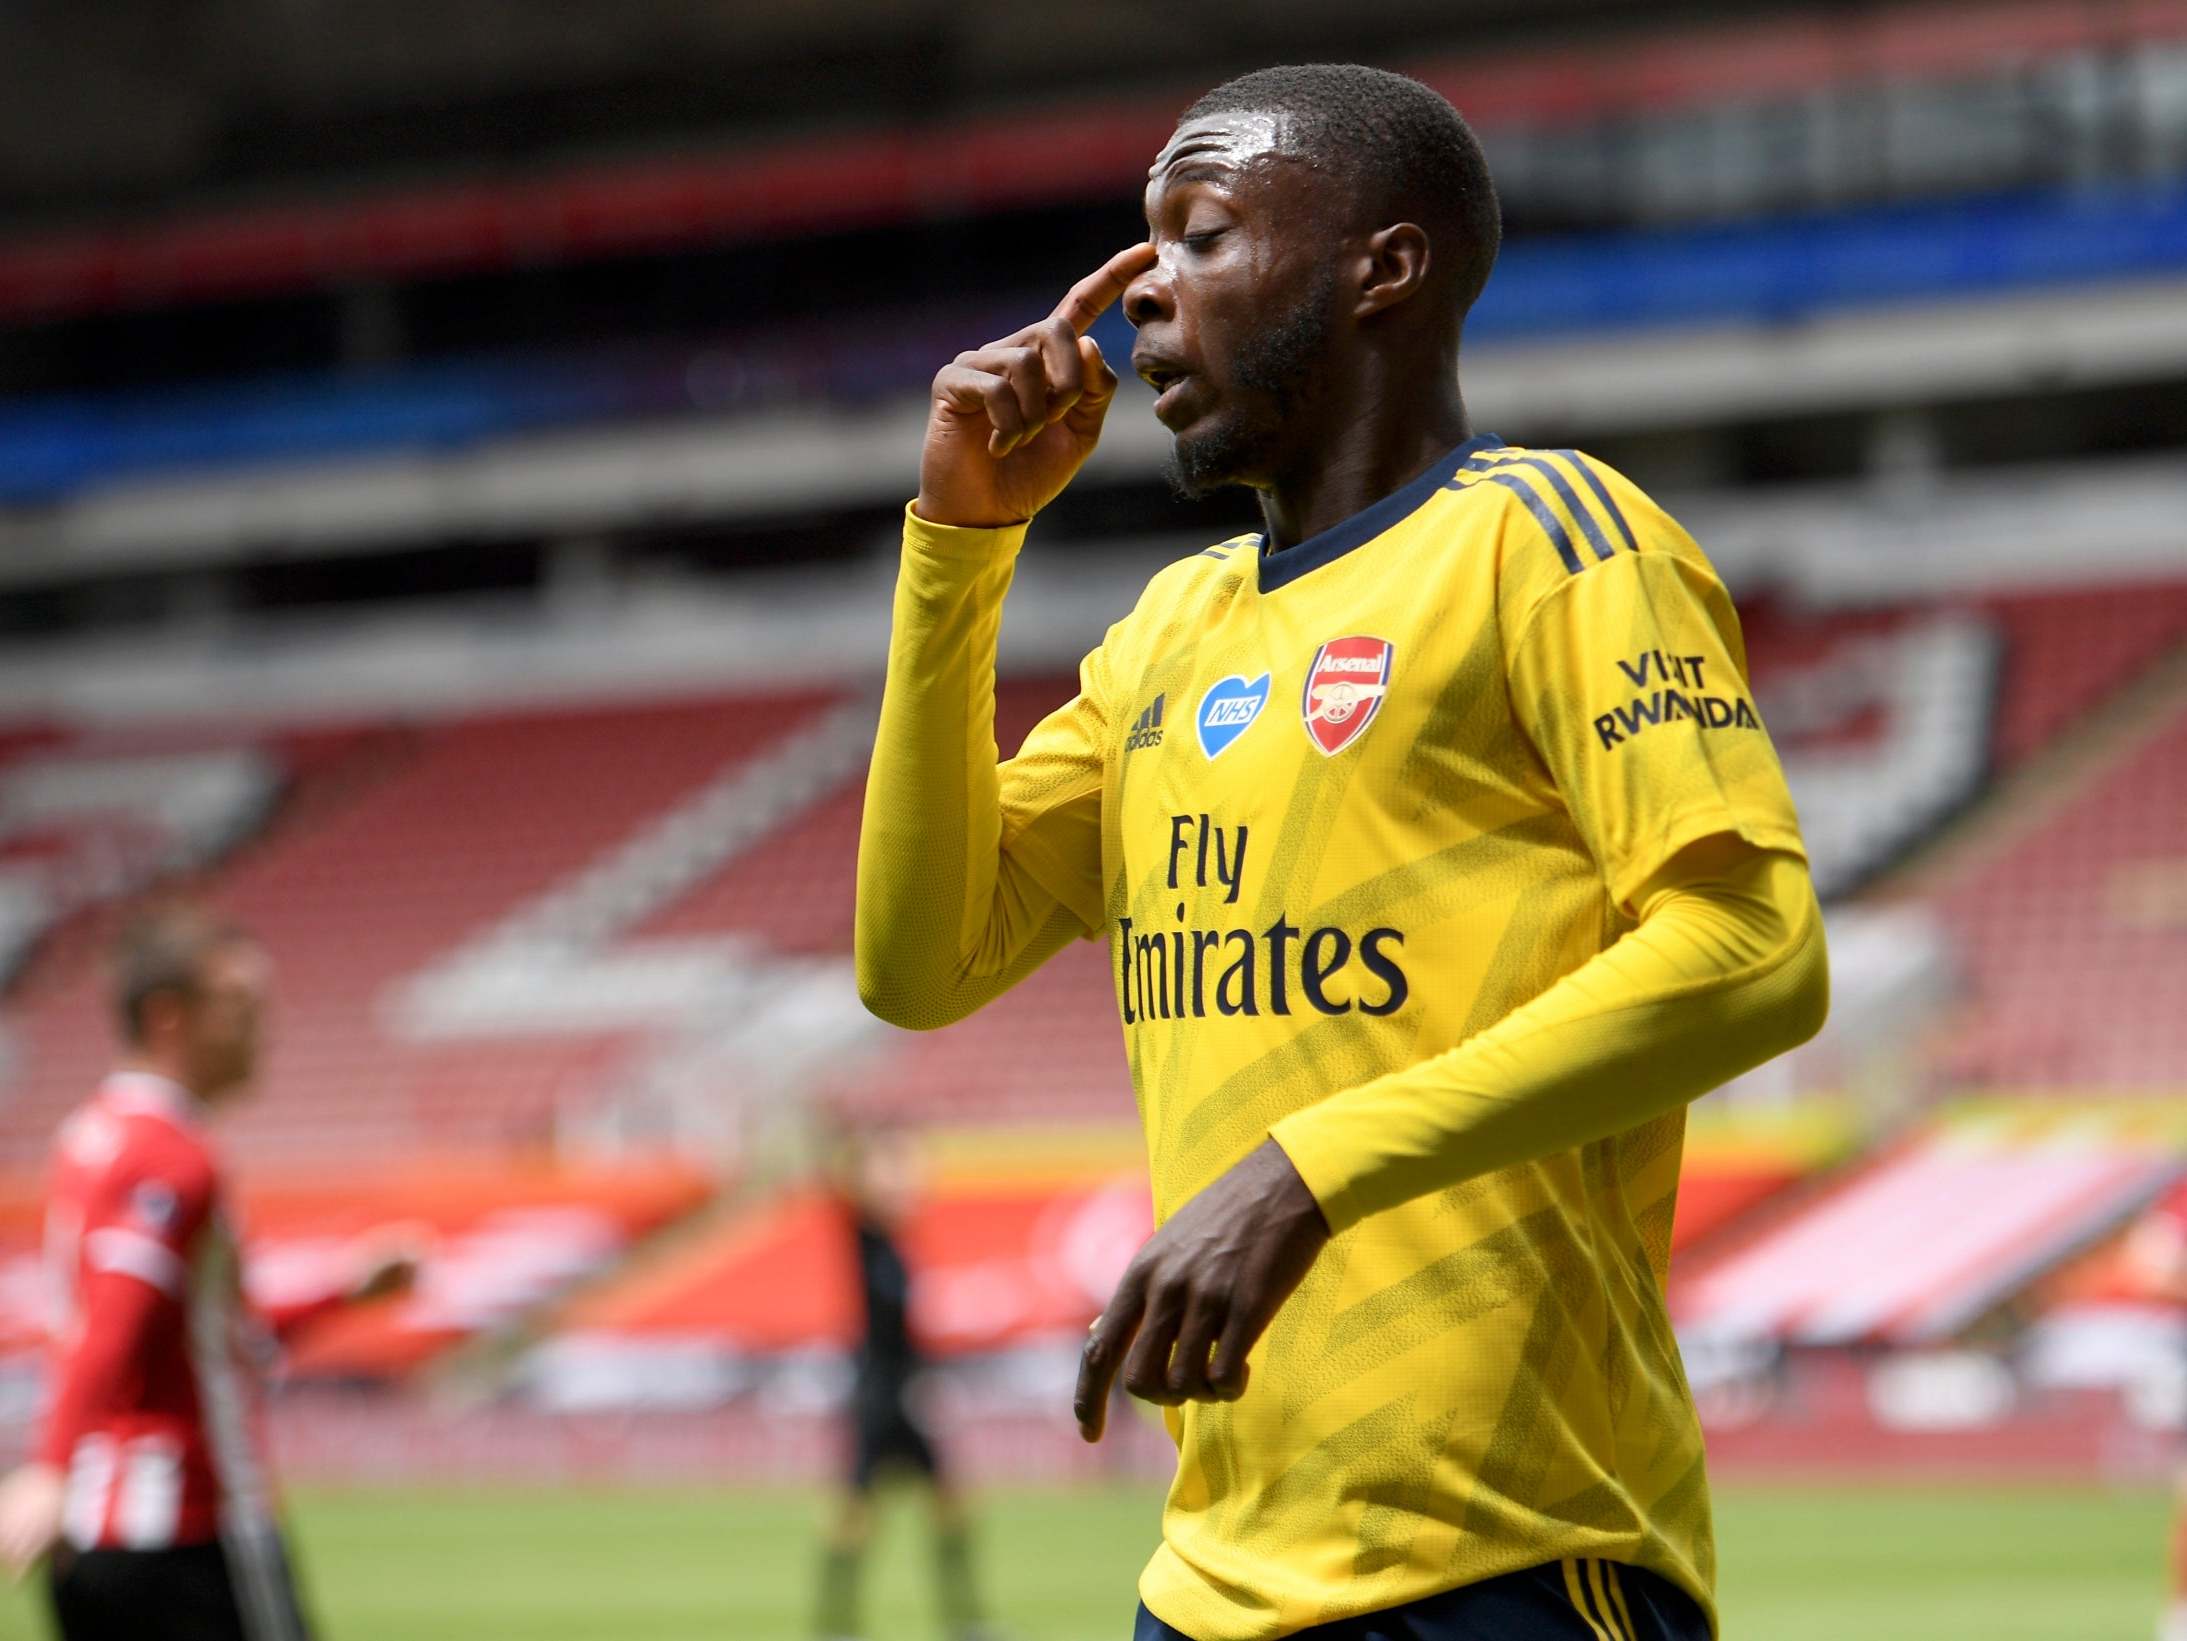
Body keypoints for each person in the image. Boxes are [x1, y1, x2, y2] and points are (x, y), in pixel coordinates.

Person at [856, 62, 1828, 1641]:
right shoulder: (1169, 630)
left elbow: (1752, 949)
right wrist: (956, 550)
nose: (1139, 301)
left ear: (1382, 267)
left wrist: (1312, 1167)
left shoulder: (1552, 538)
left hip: (1506, 1559)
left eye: (1202, 236)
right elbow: (915, 965)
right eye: (1142, 250)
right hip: (1207, 1584)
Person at [0, 905, 407, 1641]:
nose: (261, 1029)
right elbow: (115, 1319)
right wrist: (49, 1466)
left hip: (99, 1539)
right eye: (239, 1007)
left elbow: (197, 1336)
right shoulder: (168, 1152)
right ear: (169, 1017)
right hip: (189, 1526)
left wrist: (343, 1291)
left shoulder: (95, 1135)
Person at [815, 1123, 994, 1641]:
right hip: (877, 1395)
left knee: (949, 1511)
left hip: (904, 1393)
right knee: (856, 1518)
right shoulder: (864, 1238)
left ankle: (963, 1621)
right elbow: (846, 1183)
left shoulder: (896, 1244)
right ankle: (837, 1626)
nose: (901, 1186)